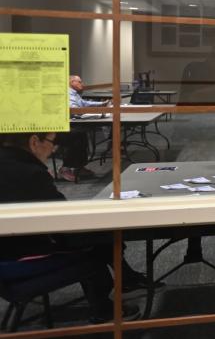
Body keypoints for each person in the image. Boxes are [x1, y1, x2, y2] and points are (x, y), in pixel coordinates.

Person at [0, 132, 138, 322]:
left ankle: (127, 279)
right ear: (34, 142)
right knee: (97, 242)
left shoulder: (14, 166)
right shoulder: (29, 173)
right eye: (52, 141)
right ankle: (104, 310)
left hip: (10, 249)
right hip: (17, 259)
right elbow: (61, 220)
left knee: (97, 235)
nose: (54, 148)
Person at [60, 74, 108, 182]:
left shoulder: (74, 93)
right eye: (79, 82)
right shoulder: (68, 94)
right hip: (66, 127)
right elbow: (73, 109)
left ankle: (79, 167)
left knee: (82, 137)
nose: (82, 84)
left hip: (74, 125)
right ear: (72, 82)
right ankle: (65, 168)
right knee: (77, 138)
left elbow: (84, 103)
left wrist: (101, 104)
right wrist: (90, 111)